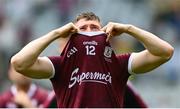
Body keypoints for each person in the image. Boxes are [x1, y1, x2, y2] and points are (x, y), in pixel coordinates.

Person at [11, 12, 174, 108]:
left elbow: (165, 52)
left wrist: (128, 29)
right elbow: (19, 62)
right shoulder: (59, 65)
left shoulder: (119, 63)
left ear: (105, 34)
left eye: (94, 28)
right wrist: (56, 33)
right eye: (82, 29)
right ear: (73, 35)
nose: (89, 33)